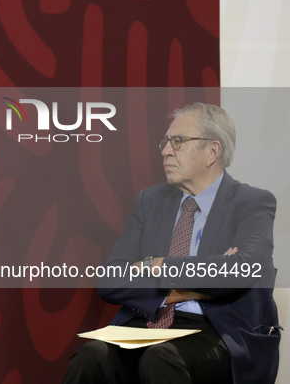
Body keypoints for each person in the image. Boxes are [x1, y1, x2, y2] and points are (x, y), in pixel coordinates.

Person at [63, 103, 280, 384]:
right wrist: (193, 288)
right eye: (165, 142)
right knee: (90, 357)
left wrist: (154, 264)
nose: (166, 150)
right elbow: (110, 279)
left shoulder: (251, 202)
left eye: (178, 141)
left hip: (216, 330)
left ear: (212, 151)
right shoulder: (151, 200)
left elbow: (243, 270)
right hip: (147, 321)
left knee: (161, 359)